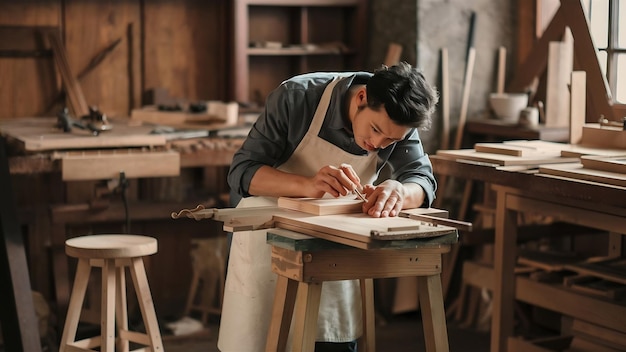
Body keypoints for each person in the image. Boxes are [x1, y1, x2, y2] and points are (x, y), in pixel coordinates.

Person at [218, 62, 439, 352]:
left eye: (390, 140)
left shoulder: (398, 120)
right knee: (257, 339)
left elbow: (423, 180)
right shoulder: (296, 97)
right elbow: (241, 172)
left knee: (332, 341)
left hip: (334, 234)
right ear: (361, 98)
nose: (377, 144)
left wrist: (399, 191)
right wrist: (307, 186)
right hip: (268, 231)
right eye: (374, 130)